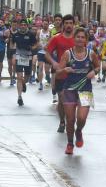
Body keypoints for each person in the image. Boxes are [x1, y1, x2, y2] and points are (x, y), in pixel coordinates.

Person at [58, 27, 100, 155]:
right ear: (74, 38)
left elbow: (98, 66)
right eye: (78, 37)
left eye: (83, 37)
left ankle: (79, 131)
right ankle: (70, 143)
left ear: (86, 40)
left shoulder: (91, 53)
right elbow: (58, 71)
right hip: (70, 89)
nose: (80, 39)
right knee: (70, 120)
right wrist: (65, 70)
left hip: (85, 90)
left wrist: (94, 71)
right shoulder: (67, 54)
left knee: (81, 118)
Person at [46, 14, 75, 132]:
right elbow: (47, 52)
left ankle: (71, 120)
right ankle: (62, 121)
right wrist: (54, 63)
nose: (68, 25)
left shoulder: (79, 38)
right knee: (62, 100)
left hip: (75, 75)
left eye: (70, 23)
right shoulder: (56, 38)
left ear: (74, 25)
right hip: (61, 74)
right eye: (66, 23)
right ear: (63, 25)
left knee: (73, 101)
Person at [13, 19, 39, 106]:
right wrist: (13, 56)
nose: (23, 26)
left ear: (27, 26)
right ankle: (19, 97)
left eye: (25, 25)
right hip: (19, 56)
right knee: (19, 77)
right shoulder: (16, 35)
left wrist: (33, 48)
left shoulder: (30, 34)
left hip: (28, 57)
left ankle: (24, 83)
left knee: (27, 78)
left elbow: (36, 44)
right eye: (22, 24)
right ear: (19, 26)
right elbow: (12, 45)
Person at [36, 19, 51, 91]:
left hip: (47, 52)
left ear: (48, 24)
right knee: (40, 68)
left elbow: (51, 40)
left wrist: (47, 46)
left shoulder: (50, 32)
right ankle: (40, 83)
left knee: (47, 69)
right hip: (40, 52)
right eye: (44, 24)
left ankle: (48, 77)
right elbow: (37, 40)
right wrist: (38, 43)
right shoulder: (39, 32)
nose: (45, 25)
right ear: (42, 24)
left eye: (46, 24)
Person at [6, 20, 18, 87]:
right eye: (13, 25)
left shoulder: (18, 32)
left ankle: (13, 76)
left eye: (15, 25)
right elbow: (4, 39)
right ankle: (11, 78)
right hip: (9, 49)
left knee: (14, 63)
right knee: (10, 65)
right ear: (11, 25)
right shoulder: (8, 31)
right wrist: (6, 40)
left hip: (15, 50)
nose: (14, 26)